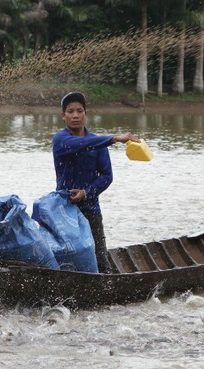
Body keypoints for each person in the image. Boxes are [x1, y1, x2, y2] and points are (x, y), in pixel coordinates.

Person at [52, 91, 139, 273]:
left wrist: (86, 193)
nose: (75, 115)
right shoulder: (60, 139)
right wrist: (114, 138)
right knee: (65, 258)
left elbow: (107, 176)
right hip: (64, 209)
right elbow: (79, 144)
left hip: (91, 208)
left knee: (100, 260)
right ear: (63, 116)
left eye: (79, 111)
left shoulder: (98, 143)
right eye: (70, 111)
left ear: (86, 114)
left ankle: (105, 292)